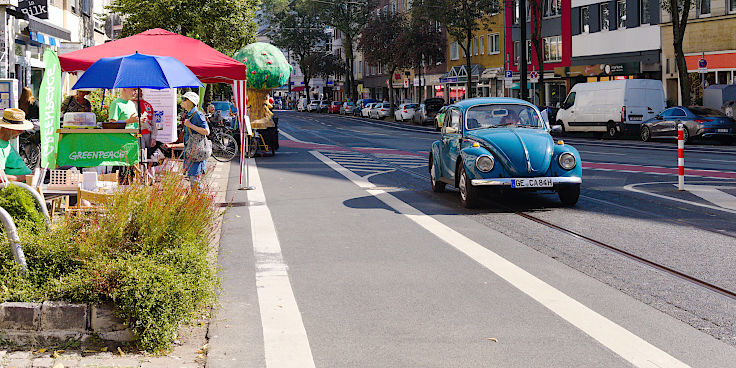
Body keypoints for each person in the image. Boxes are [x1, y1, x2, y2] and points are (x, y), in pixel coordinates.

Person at [164, 92, 209, 189]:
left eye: (184, 99)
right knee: (193, 179)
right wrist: (172, 146)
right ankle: (196, 199)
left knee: (195, 179)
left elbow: (206, 131)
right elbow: (188, 140)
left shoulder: (197, 114)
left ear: (191, 102)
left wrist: (190, 125)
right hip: (192, 152)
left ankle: (197, 200)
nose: (182, 101)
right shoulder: (189, 115)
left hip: (197, 153)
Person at [0, 108, 33, 183]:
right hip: (19, 188)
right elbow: (1, 178)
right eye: (17, 129)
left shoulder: (6, 142)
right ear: (7, 128)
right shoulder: (1, 146)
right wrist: (26, 177)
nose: (21, 132)